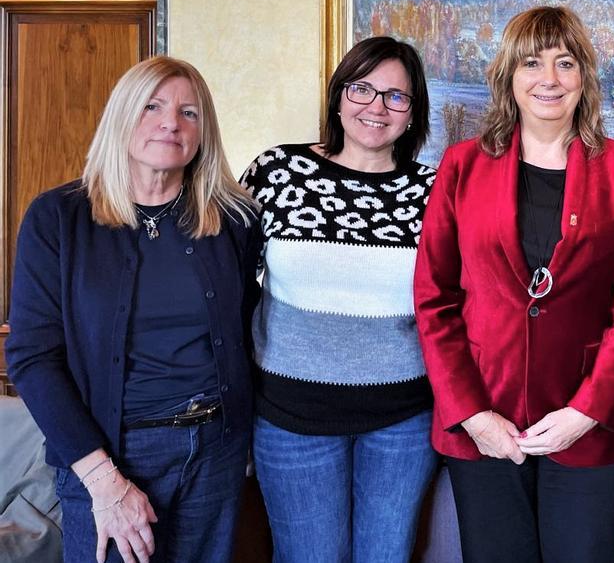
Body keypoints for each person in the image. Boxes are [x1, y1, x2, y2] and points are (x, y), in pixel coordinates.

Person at [414, 5, 614, 563]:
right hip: (484, 423)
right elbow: (434, 298)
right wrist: (472, 414)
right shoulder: (460, 165)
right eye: (532, 62)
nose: (549, 79)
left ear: (583, 79)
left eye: (565, 63)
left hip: (590, 422)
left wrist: (587, 410)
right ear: (509, 76)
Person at [5, 56, 261, 563]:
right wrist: (104, 480)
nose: (171, 122)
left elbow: (249, 328)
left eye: (190, 113)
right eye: (153, 106)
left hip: (216, 451)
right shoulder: (59, 218)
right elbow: (33, 356)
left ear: (203, 133)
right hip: (111, 456)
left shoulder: (233, 220)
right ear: (121, 116)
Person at [238, 36, 438, 562]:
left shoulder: (437, 192)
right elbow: (231, 293)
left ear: (413, 112)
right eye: (362, 88)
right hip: (290, 417)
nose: (376, 107)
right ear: (338, 95)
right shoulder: (277, 172)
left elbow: (452, 306)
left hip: (403, 420)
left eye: (396, 96)